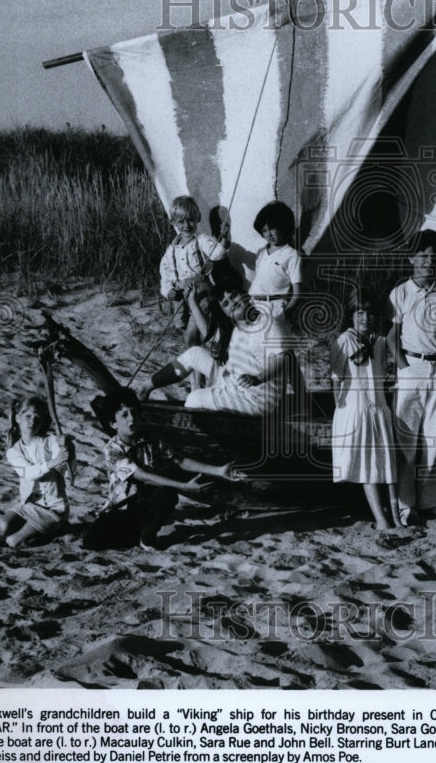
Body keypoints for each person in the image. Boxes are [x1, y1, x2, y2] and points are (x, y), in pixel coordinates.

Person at [83, 388, 240, 551]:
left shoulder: (150, 438)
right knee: (91, 542)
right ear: (113, 423)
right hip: (122, 508)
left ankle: (147, 539)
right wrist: (184, 486)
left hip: (147, 507)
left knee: (167, 494)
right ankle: (134, 535)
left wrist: (218, 470)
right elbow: (143, 476)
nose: (132, 419)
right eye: (124, 415)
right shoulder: (112, 449)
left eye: (134, 413)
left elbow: (179, 460)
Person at [389, 230, 436, 524]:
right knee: (406, 442)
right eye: (422, 255)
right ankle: (407, 507)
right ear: (411, 259)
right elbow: (392, 336)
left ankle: (430, 503)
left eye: (433, 256)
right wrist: (404, 367)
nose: (428, 261)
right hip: (410, 370)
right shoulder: (400, 293)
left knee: (433, 439)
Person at [137, 288, 288, 417]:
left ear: (246, 295)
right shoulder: (236, 326)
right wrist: (192, 302)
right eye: (226, 303)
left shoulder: (267, 324)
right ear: (225, 312)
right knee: (194, 353)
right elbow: (206, 333)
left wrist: (258, 378)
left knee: (194, 398)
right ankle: (145, 387)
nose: (233, 303)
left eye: (234, 296)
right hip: (233, 382)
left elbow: (282, 359)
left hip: (256, 398)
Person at [330, 289, 397, 531]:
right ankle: (381, 519)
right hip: (355, 408)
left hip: (378, 407)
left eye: (369, 313)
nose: (365, 318)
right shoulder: (343, 340)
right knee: (369, 466)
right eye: (360, 312)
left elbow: (380, 374)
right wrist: (340, 407)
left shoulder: (379, 341)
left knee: (387, 463)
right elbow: (337, 379)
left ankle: (396, 517)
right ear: (351, 315)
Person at [248, 200, 308, 408]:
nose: (268, 234)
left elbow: (297, 292)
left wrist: (284, 312)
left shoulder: (292, 255)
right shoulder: (262, 253)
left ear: (284, 227)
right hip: (256, 307)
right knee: (269, 355)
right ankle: (275, 399)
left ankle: (299, 400)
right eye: (264, 230)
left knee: (283, 356)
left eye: (272, 228)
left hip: (276, 309)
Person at [0, 396, 73, 547]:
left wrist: (68, 448)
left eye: (38, 417)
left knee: (13, 541)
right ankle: (38, 532)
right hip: (29, 505)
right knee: (2, 527)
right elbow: (29, 473)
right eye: (28, 416)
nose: (32, 421)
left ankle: (52, 530)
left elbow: (67, 470)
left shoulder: (51, 441)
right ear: (18, 418)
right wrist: (53, 462)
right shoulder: (13, 451)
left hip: (54, 509)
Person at [159, 195, 230, 348]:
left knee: (192, 334)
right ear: (173, 222)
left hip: (200, 293)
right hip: (180, 296)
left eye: (190, 219)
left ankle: (197, 356)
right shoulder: (172, 249)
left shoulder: (202, 240)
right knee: (182, 327)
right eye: (181, 221)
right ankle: (197, 353)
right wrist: (169, 290)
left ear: (197, 218)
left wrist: (223, 237)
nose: (186, 225)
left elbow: (218, 253)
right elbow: (165, 273)